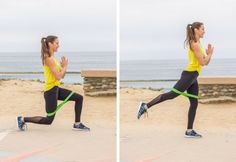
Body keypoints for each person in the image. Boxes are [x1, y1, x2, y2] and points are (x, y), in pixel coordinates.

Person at [137, 22, 214, 138]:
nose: (204, 31)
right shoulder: (195, 44)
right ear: (196, 30)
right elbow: (203, 63)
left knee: (194, 103)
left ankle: (189, 131)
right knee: (172, 95)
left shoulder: (198, 42)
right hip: (189, 75)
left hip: (193, 76)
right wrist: (210, 54)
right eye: (203, 29)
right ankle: (145, 106)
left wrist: (208, 55)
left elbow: (205, 62)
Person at [16, 35, 90, 131]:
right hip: (50, 91)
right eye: (57, 43)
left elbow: (61, 76)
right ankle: (22, 119)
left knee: (79, 98)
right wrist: (65, 67)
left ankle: (77, 124)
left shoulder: (53, 58)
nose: (58, 45)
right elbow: (58, 77)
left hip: (56, 89)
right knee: (48, 120)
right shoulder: (48, 59)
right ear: (50, 44)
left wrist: (63, 67)